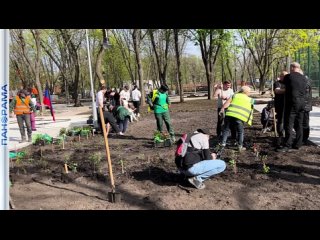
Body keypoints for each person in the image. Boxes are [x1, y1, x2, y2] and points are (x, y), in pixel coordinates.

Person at [219, 86, 268, 151]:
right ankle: (240, 146)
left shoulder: (234, 96)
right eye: (249, 92)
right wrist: (267, 102)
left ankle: (222, 144)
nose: (249, 93)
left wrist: (222, 109)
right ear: (246, 92)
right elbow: (258, 101)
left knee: (226, 130)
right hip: (239, 117)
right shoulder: (249, 99)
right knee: (240, 131)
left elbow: (227, 103)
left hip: (229, 114)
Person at [280, 62, 307, 152]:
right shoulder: (304, 78)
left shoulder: (289, 76)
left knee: (288, 123)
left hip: (292, 102)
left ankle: (287, 144)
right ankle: (298, 144)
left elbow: (283, 83)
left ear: (292, 67)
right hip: (302, 103)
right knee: (299, 123)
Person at [273, 71, 288, 147]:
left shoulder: (288, 83)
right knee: (281, 120)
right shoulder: (277, 83)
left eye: (286, 76)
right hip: (280, 105)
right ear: (280, 76)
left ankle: (287, 134)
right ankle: (281, 135)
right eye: (283, 76)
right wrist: (288, 90)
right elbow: (277, 91)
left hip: (288, 105)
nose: (284, 77)